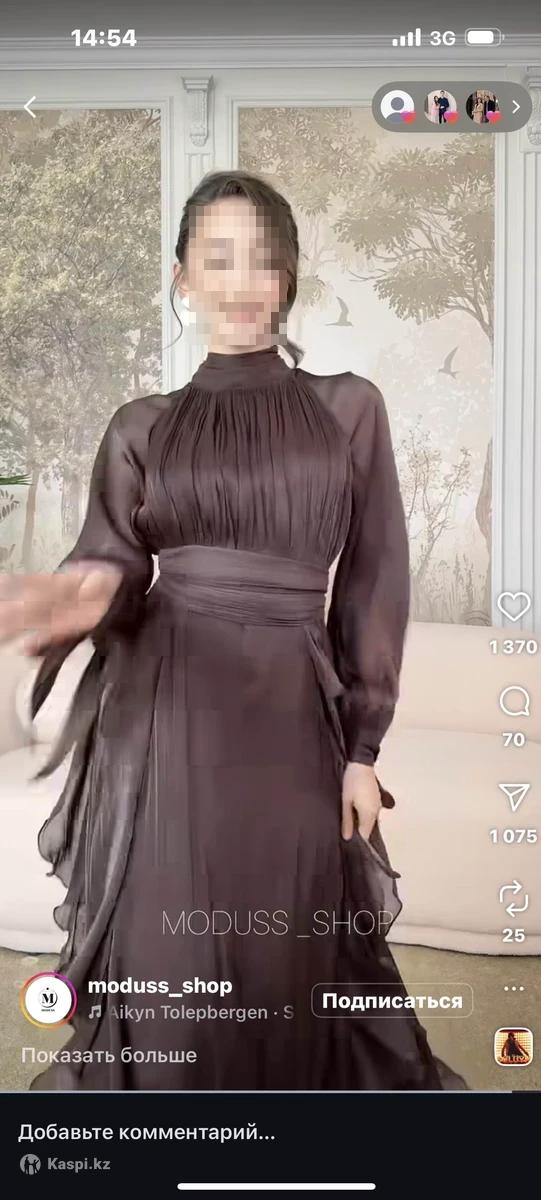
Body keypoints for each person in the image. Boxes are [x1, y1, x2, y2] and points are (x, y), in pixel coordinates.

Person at [0, 169, 467, 1092]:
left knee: (287, 952)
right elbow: (113, 564)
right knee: (170, 955)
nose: (241, 280)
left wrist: (361, 749)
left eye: (262, 258)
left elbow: (372, 584)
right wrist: (77, 597)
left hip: (292, 711)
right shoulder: (140, 427)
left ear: (287, 276)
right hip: (166, 713)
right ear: (182, 277)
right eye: (217, 259)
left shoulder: (348, 408)